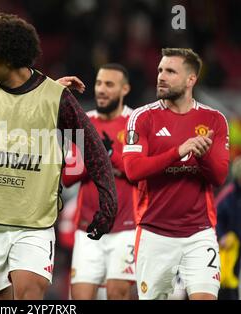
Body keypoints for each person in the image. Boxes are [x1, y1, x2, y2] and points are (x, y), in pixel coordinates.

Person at [0, 11, 117, 300]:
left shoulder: (56, 97)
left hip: (34, 222)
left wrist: (107, 200)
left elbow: (93, 147)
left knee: (29, 293)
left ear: (9, 59)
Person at [122, 48, 229, 300]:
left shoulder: (214, 120)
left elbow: (219, 177)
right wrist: (179, 151)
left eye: (170, 71)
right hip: (154, 233)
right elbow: (133, 170)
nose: (161, 76)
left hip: (199, 233)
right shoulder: (142, 117)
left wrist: (202, 156)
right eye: (160, 70)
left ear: (191, 79)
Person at [63, 63, 137, 300]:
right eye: (98, 83)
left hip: (125, 227)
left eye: (109, 84)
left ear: (124, 89)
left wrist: (109, 156)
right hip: (87, 228)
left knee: (118, 294)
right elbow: (68, 176)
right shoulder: (84, 122)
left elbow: (137, 171)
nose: (102, 90)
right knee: (80, 296)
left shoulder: (136, 122)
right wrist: (99, 156)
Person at [216, 156, 241, 300]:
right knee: (227, 282)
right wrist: (222, 236)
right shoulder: (228, 195)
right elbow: (215, 217)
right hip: (229, 246)